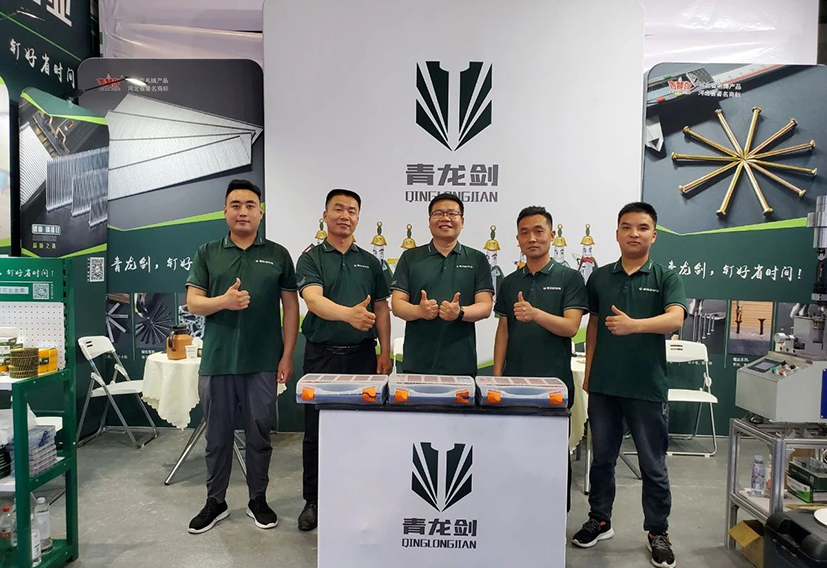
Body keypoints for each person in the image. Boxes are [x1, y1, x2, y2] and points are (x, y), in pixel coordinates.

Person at [571, 202, 686, 568]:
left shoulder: (666, 277)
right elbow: (593, 325)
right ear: (617, 233)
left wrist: (634, 325)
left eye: (642, 227)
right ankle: (599, 520)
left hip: (646, 387)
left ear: (654, 235)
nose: (634, 233)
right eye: (627, 227)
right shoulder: (600, 277)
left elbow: (675, 320)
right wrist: (590, 369)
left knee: (653, 465)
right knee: (602, 460)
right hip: (605, 385)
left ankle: (658, 532)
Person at [185, 179, 299, 534]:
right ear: (225, 211)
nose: (243, 211)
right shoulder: (207, 252)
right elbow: (193, 303)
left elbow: (291, 308)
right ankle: (215, 502)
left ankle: (257, 499)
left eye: (250, 205)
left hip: (263, 361)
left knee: (259, 436)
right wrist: (224, 301)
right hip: (218, 361)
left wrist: (287, 355)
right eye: (235, 205)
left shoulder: (278, 254)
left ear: (260, 212)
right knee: (217, 437)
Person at [295, 189, 392, 531]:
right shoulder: (311, 258)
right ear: (325, 215)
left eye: (352, 211)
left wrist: (385, 351)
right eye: (338, 209)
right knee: (315, 432)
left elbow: (382, 308)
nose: (345, 216)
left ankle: (358, 495)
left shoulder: (370, 262)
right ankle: (313, 500)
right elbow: (313, 300)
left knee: (361, 430)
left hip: (363, 358)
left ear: (358, 219)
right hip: (321, 357)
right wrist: (349, 315)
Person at [492, 205, 587, 511]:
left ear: (552, 234)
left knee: (553, 457)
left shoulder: (570, 278)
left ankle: (554, 519)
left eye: (538, 231)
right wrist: (496, 377)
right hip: (513, 385)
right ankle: (515, 514)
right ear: (517, 239)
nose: (531, 238)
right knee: (513, 455)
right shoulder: (510, 282)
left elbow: (571, 327)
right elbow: (503, 330)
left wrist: (536, 314)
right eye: (524, 233)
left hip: (554, 385)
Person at [391, 193, 493, 375]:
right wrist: (419, 311)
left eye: (452, 213)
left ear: (462, 221)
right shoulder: (410, 257)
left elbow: (485, 306)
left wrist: (460, 312)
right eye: (438, 213)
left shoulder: (477, 259)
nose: (445, 218)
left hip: (461, 363)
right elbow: (397, 304)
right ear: (429, 220)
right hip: (417, 363)